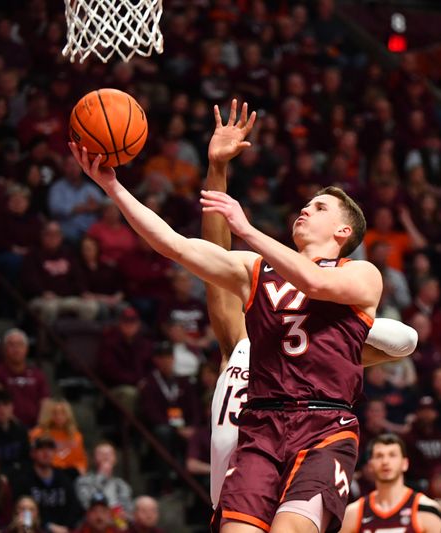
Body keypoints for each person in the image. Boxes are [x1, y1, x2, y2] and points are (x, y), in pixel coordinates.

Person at [68, 99, 383, 533]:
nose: (306, 209)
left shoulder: (363, 274)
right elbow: (174, 244)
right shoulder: (255, 270)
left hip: (324, 424)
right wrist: (112, 187)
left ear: (343, 232)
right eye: (307, 204)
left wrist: (247, 229)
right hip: (260, 425)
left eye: (320, 207)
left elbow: (315, 284)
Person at [199, 100, 418, 517]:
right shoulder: (239, 339)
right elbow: (214, 254)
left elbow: (406, 340)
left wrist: (356, 327)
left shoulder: (318, 350)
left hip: (298, 471)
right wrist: (217, 170)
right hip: (234, 494)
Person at [339, 434, 441, 533]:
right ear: (370, 465)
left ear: (405, 464)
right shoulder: (354, 512)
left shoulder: (427, 509)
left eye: (392, 455)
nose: (385, 461)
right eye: (379, 456)